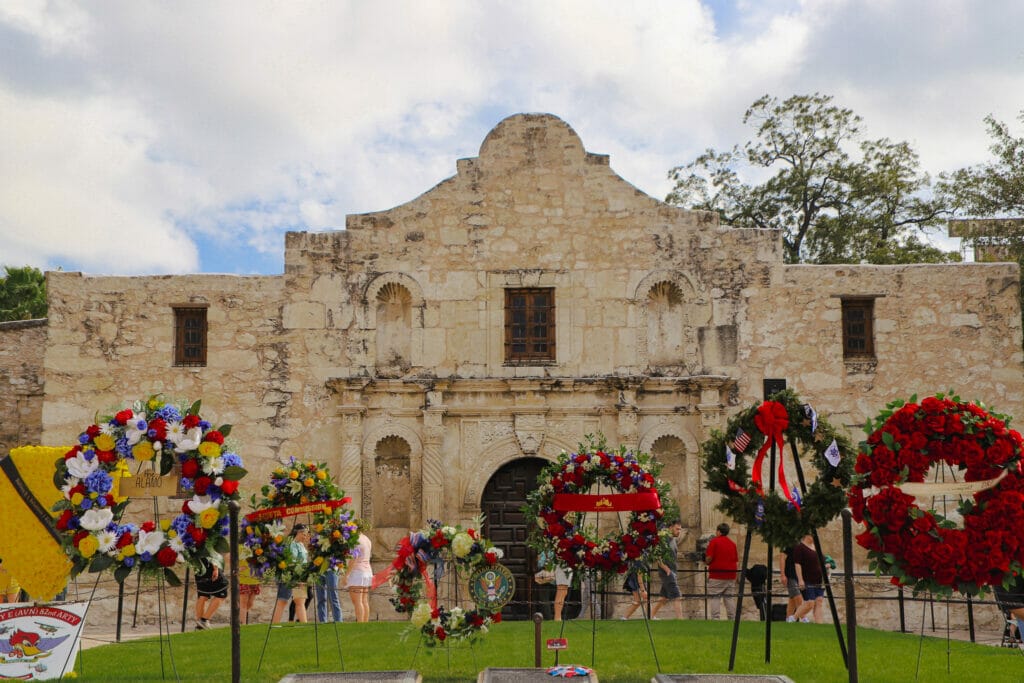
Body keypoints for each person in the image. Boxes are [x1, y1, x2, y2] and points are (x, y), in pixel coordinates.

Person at [271, 524, 310, 624]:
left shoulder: (301, 544)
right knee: (282, 601)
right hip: (288, 576)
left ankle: (304, 625)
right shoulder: (290, 544)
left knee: (300, 601)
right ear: (298, 532)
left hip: (300, 576)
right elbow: (292, 561)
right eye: (304, 534)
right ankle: (275, 624)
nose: (305, 537)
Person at [651, 520, 684, 620]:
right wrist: (667, 569)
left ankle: (651, 616)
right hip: (667, 572)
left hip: (672, 571)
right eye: (677, 529)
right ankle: (681, 620)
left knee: (663, 598)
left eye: (680, 529)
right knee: (677, 596)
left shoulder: (672, 539)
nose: (679, 531)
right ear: (670, 528)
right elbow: (658, 556)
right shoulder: (663, 539)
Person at [705, 522, 738, 620]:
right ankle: (732, 618)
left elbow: (709, 558)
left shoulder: (714, 542)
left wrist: (706, 560)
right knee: (729, 598)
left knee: (715, 597)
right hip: (731, 574)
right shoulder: (732, 544)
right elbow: (736, 560)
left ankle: (716, 619)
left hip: (717, 574)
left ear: (719, 531)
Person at [791, 533, 825, 623]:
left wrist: (827, 565)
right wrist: (800, 580)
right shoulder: (800, 547)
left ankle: (819, 624)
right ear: (807, 535)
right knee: (810, 603)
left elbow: (822, 561)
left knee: (819, 601)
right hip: (807, 579)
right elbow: (797, 564)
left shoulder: (816, 547)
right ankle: (793, 618)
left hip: (819, 580)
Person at [347, 520, 372, 623]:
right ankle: (364, 623)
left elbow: (354, 558)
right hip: (367, 571)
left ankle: (360, 623)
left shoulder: (356, 539)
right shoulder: (367, 539)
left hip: (358, 571)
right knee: (364, 600)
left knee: (357, 601)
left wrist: (346, 574)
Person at [194, 555, 228, 630]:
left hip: (199, 567)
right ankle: (204, 620)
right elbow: (210, 552)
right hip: (210, 566)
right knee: (222, 594)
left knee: (203, 596)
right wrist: (215, 568)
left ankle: (200, 626)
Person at [238, 548, 262, 625]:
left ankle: (237, 618)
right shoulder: (239, 546)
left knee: (250, 604)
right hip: (243, 579)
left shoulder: (258, 546)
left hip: (255, 580)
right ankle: (242, 625)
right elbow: (228, 556)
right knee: (243, 603)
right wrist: (236, 568)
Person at [779, 547, 803, 620]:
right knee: (798, 596)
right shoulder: (788, 542)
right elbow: (782, 558)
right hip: (790, 574)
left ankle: (788, 619)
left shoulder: (803, 543)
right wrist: (782, 575)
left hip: (800, 575)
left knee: (792, 600)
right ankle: (804, 618)